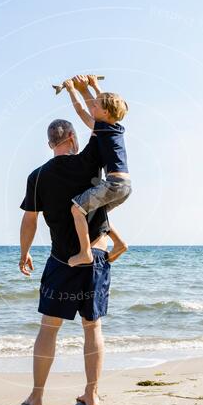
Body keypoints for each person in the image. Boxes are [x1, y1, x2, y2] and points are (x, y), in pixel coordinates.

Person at [18, 119, 113, 405]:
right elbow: (103, 129)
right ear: (72, 137)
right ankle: (92, 394)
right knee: (92, 327)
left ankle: (36, 396)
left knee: (48, 328)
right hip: (94, 255)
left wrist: (24, 253)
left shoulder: (38, 176)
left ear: (50, 144)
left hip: (61, 260)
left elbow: (30, 219)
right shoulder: (89, 163)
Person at [63, 74, 131, 267]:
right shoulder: (114, 127)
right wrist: (91, 86)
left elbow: (80, 111)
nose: (92, 106)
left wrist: (72, 90)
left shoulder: (102, 127)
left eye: (96, 106)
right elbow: (102, 103)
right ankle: (119, 244)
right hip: (125, 186)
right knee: (98, 211)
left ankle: (85, 253)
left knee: (77, 209)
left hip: (113, 184)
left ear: (106, 113)